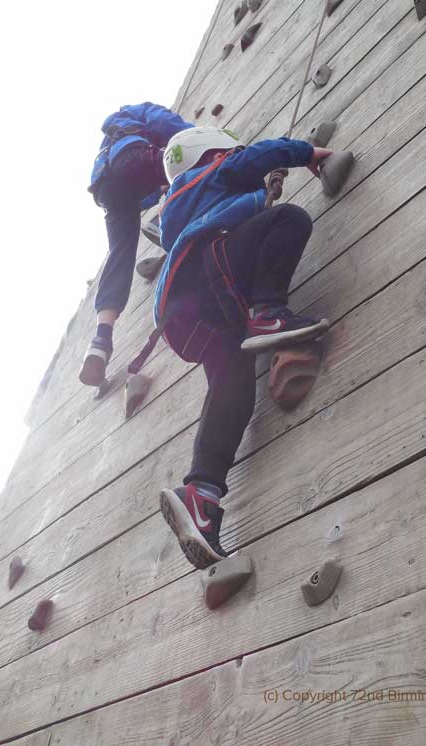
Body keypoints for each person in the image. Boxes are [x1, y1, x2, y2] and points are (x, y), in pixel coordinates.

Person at [155, 126, 332, 569]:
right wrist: (305, 152)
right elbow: (253, 157)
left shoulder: (180, 210)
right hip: (211, 275)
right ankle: (268, 311)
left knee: (232, 386)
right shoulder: (211, 172)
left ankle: (202, 494)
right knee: (289, 220)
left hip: (190, 317)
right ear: (211, 152)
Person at [79, 102, 193, 386]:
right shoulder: (138, 111)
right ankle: (163, 223)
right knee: (191, 163)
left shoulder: (108, 141)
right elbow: (164, 123)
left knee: (120, 255)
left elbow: (140, 191)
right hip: (131, 159)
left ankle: (101, 341)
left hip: (107, 189)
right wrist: (201, 138)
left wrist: (161, 189)